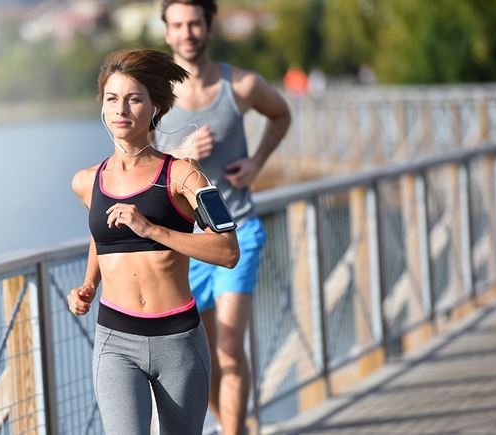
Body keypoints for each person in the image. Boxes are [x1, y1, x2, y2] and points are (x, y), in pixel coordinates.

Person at [67, 48, 240, 435]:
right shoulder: (86, 181)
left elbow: (228, 251)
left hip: (179, 342)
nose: (121, 109)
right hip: (115, 340)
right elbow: (100, 237)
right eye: (112, 99)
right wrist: (88, 284)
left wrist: (153, 230)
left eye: (133, 98)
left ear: (155, 106)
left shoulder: (183, 175)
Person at [156, 1, 292, 434]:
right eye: (177, 25)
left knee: (231, 348)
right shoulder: (154, 94)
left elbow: (281, 113)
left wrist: (256, 163)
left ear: (209, 27)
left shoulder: (242, 85)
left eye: (194, 23)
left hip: (240, 231)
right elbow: (136, 162)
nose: (187, 32)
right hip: (186, 244)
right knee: (202, 357)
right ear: (166, 33)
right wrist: (180, 156)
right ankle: (234, 424)